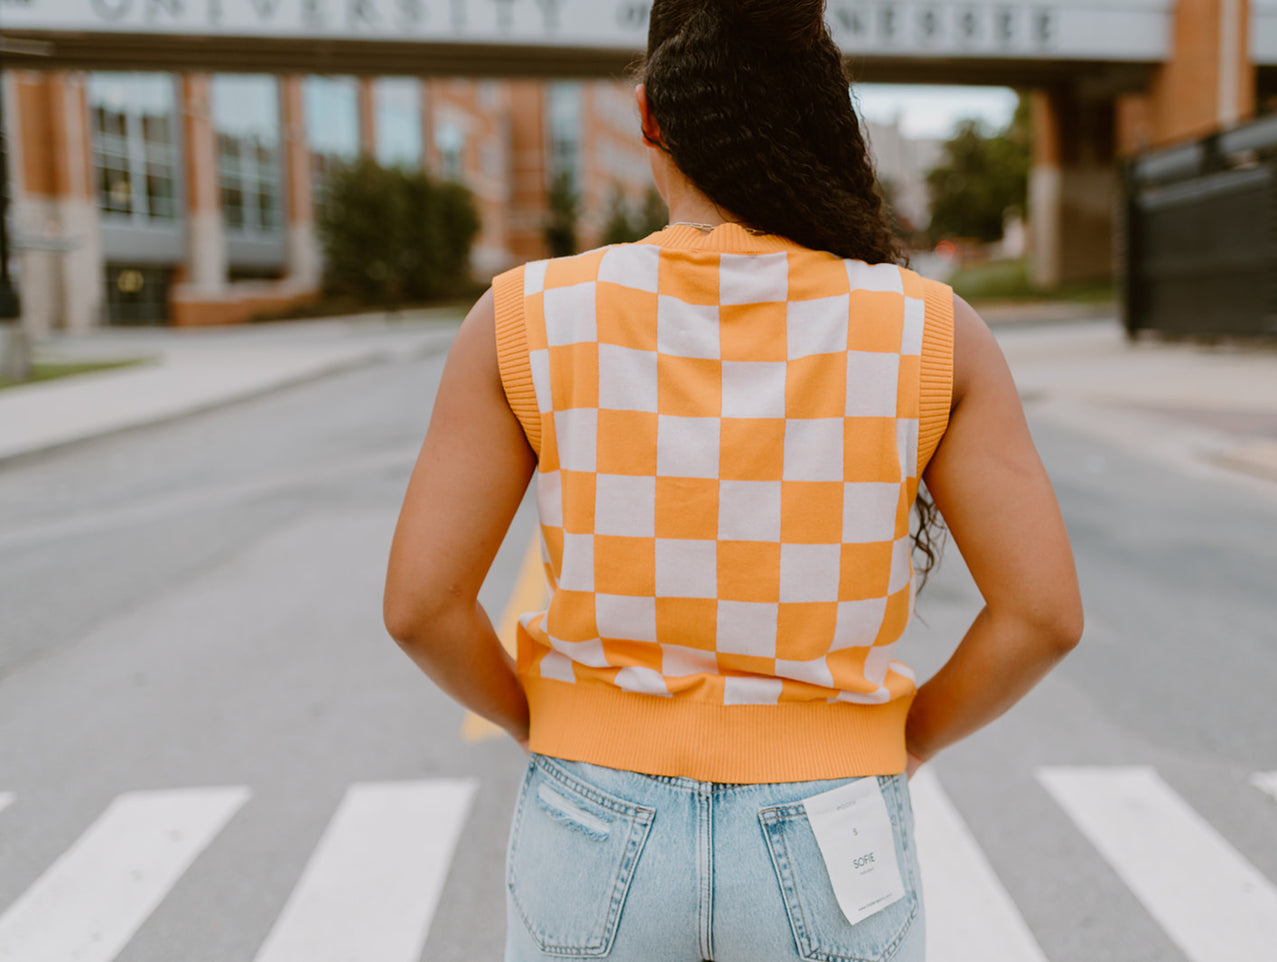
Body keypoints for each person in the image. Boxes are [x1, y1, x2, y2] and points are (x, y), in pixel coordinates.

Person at [383, 1, 1083, 958]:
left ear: (649, 118)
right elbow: (1041, 615)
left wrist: (556, 725)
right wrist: (899, 742)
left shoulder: (524, 317)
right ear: (813, 114)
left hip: (590, 811)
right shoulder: (928, 330)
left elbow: (421, 606)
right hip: (832, 818)